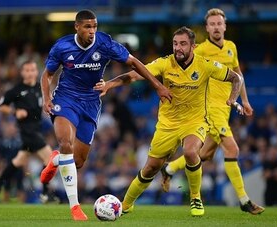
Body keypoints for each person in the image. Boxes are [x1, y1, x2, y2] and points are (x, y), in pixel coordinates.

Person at [94, 26, 243, 216]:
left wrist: (232, 98)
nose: (178, 48)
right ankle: (127, 204)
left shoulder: (205, 65)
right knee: (151, 168)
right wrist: (109, 84)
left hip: (195, 121)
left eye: (183, 44)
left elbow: (235, 78)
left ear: (193, 46)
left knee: (190, 151)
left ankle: (195, 198)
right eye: (175, 44)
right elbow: (133, 76)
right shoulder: (165, 64)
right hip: (167, 125)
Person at [39, 9, 172, 221]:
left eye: (94, 27)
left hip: (91, 103)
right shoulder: (62, 46)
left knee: (78, 161)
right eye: (87, 27)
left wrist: (157, 85)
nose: (92, 31)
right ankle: (75, 207)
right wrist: (47, 98)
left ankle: (55, 160)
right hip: (66, 99)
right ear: (77, 27)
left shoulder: (104, 43)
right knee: (66, 143)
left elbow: (135, 63)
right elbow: (47, 75)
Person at [160, 8, 265, 215]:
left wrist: (244, 100)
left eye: (219, 23)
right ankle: (244, 201)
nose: (216, 27)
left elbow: (237, 74)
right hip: (210, 109)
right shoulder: (200, 50)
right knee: (232, 150)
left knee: (205, 154)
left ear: (225, 26)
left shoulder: (231, 48)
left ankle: (170, 168)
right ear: (207, 28)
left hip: (225, 108)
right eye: (212, 24)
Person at [0, 60, 57, 204]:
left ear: (36, 72)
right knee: (50, 158)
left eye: (32, 70)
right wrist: (15, 111)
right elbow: (1, 106)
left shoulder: (40, 88)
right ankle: (45, 192)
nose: (30, 73)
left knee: (19, 160)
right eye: (26, 70)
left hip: (36, 129)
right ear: (22, 73)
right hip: (27, 131)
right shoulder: (16, 90)